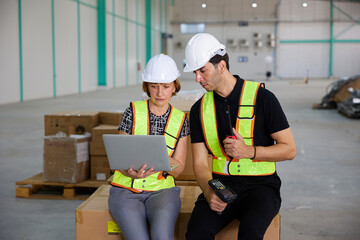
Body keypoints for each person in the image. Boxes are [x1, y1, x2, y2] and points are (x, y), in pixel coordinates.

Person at [184, 33, 296, 240]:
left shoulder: (263, 98)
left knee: (249, 234)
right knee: (196, 234)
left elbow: (289, 149)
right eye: (195, 72)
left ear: (222, 66)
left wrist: (250, 151)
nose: (198, 78)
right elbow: (199, 164)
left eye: (202, 70)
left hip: (262, 188)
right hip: (221, 187)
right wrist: (209, 192)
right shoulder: (199, 109)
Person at [108, 54, 190, 240]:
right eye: (154, 86)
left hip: (163, 192)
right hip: (126, 190)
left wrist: (157, 158)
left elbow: (179, 168)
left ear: (175, 87)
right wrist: (131, 173)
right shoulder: (132, 111)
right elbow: (119, 159)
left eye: (166, 86)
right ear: (147, 87)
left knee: (162, 236)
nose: (160, 93)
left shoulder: (181, 120)